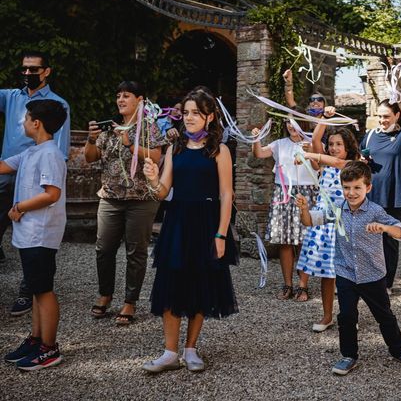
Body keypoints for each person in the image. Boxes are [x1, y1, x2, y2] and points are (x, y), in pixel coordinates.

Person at [141, 89, 237, 373]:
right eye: (186, 113)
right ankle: (169, 352)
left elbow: (227, 194)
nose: (190, 118)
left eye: (196, 112)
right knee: (171, 283)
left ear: (209, 117)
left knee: (201, 284)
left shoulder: (220, 150)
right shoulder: (175, 148)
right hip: (178, 221)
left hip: (207, 222)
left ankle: (191, 349)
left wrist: (221, 234)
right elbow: (161, 193)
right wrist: (153, 178)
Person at [297, 161, 401, 376]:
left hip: (373, 275)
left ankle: (398, 350)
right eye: (347, 187)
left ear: (368, 188)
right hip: (346, 273)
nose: (351, 192)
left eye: (357, 187)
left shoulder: (375, 211)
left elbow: (400, 232)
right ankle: (349, 355)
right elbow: (309, 221)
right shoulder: (336, 210)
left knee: (384, 315)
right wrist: (303, 209)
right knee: (346, 316)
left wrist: (383, 227)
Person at [84, 81, 165, 325]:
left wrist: (130, 142)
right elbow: (90, 158)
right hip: (110, 197)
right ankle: (105, 294)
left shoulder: (148, 127)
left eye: (126, 95)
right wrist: (90, 138)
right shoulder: (107, 128)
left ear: (139, 100)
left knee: (136, 251)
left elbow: (157, 157)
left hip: (141, 199)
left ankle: (130, 301)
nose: (121, 99)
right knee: (103, 249)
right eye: (118, 95)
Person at [0, 51, 70, 317]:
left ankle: (29, 292)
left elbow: (52, 190)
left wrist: (21, 204)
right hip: (12, 176)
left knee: (39, 263)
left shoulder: (56, 106)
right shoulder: (12, 97)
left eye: (33, 69)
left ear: (46, 71)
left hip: (39, 185)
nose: (28, 74)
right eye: (24, 70)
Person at [2, 99, 68, 370]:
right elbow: (4, 165)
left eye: (26, 118)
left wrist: (18, 207)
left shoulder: (50, 154)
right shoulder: (32, 151)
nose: (22, 122)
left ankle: (49, 348)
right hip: (28, 234)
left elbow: (52, 194)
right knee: (35, 289)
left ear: (36, 123)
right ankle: (36, 338)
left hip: (41, 233)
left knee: (43, 290)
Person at [296, 119, 360, 331]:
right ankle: (327, 316)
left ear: (348, 147)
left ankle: (350, 316)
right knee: (327, 274)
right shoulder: (323, 164)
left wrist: (309, 155)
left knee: (349, 274)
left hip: (344, 224)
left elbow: (337, 163)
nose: (333, 148)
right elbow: (315, 139)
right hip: (323, 225)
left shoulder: (352, 165)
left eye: (338, 144)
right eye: (331, 144)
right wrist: (323, 119)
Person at [360, 96, 401, 292]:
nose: (382, 120)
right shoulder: (369, 135)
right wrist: (362, 160)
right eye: (379, 116)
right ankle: (368, 277)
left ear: (396, 115)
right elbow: (361, 158)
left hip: (396, 197)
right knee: (368, 238)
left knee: (389, 241)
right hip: (371, 196)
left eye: (386, 116)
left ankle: (386, 283)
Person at [251, 117, 319, 300]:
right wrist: (256, 139)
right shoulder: (280, 144)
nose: (291, 126)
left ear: (303, 123)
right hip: (283, 194)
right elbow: (259, 154)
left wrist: (311, 151)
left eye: (295, 122)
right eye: (288, 122)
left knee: (306, 240)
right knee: (285, 241)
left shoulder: (312, 142)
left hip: (307, 193)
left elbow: (318, 167)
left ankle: (303, 286)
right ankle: (287, 285)